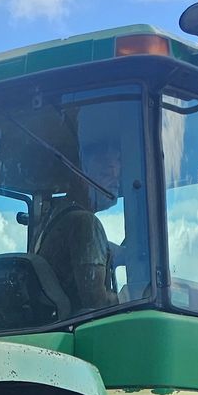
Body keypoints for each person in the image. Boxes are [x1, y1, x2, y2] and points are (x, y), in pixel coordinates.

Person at [32, 111, 128, 314]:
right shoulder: (86, 223)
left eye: (117, 174)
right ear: (78, 172)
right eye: (105, 173)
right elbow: (96, 302)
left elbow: (94, 251)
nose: (116, 179)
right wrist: (131, 296)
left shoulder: (53, 221)